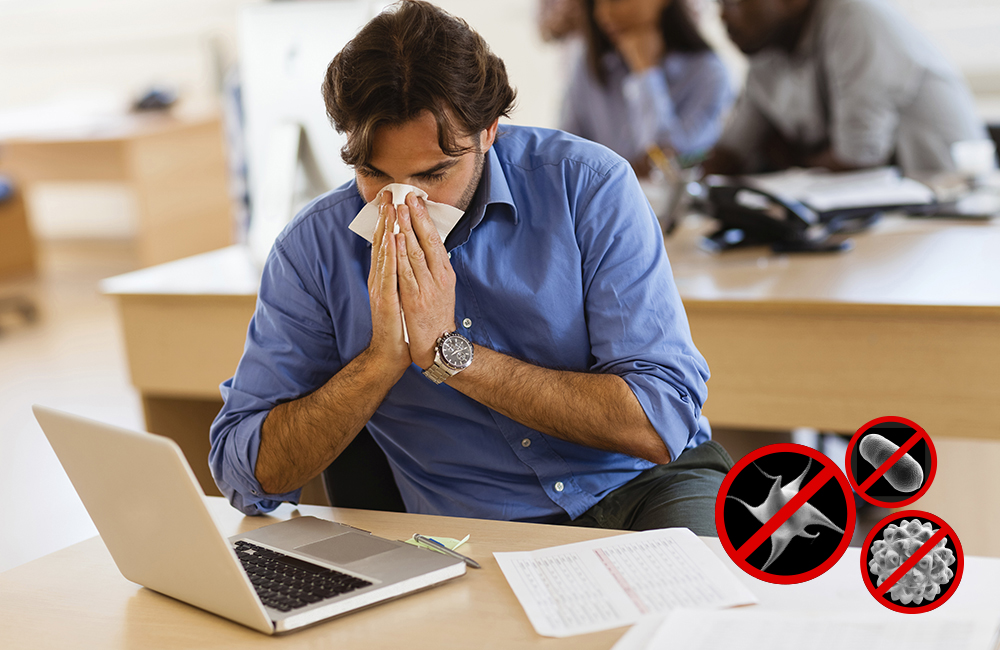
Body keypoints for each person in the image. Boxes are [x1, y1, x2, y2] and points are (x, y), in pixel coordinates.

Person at [209, 0, 731, 534]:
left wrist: (448, 354)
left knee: (700, 604)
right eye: (374, 173)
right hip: (471, 530)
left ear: (488, 131)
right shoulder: (313, 250)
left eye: (434, 173)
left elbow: (659, 420)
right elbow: (246, 478)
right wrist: (380, 362)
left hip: (647, 486)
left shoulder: (588, 186)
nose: (403, 202)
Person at [703, 0, 989, 176]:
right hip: (876, 223)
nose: (723, 17)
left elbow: (859, 158)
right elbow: (732, 153)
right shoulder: (767, 53)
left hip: (941, 210)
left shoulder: (852, 16)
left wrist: (789, 163)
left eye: (734, 1)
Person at [561, 0, 733, 174]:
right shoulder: (589, 65)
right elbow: (564, 154)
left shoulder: (709, 74)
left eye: (616, 1)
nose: (603, 14)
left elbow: (664, 164)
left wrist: (646, 73)